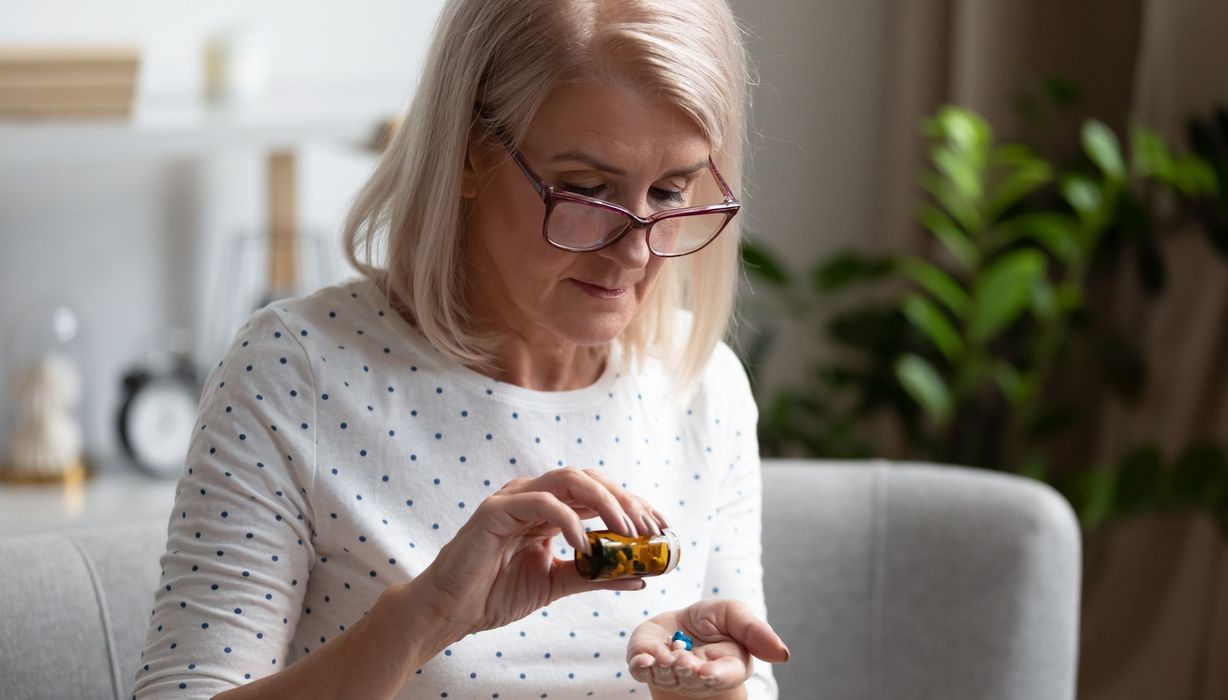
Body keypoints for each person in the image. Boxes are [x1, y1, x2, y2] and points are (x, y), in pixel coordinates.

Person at [131, 0, 789, 698]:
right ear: (470, 150)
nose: (634, 249)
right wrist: (428, 616)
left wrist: (703, 690)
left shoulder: (704, 385)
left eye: (670, 190)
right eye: (588, 191)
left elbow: (742, 673)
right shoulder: (295, 373)